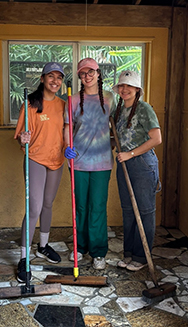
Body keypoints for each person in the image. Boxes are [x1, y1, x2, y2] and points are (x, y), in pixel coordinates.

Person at [13, 62, 66, 282]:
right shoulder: (31, 103)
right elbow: (21, 137)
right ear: (43, 78)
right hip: (35, 158)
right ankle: (24, 257)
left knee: (47, 203)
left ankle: (43, 246)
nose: (55, 81)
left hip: (57, 159)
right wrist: (22, 140)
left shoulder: (64, 105)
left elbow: (66, 131)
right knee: (33, 207)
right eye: (51, 77)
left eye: (59, 78)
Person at [64, 58, 116, 270]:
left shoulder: (110, 98)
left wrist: (113, 144)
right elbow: (67, 127)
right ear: (79, 77)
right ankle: (79, 247)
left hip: (102, 163)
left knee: (97, 207)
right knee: (81, 207)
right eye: (83, 74)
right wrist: (67, 146)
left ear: (98, 72)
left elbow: (117, 125)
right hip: (78, 161)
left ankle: (98, 252)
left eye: (91, 72)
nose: (87, 76)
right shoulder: (74, 100)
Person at [111, 71, 162, 272]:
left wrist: (130, 154)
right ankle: (129, 254)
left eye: (129, 86)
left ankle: (141, 257)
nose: (124, 90)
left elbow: (156, 138)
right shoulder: (119, 110)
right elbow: (117, 137)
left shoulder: (144, 108)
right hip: (124, 163)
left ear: (137, 89)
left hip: (141, 164)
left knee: (145, 211)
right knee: (128, 211)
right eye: (122, 86)